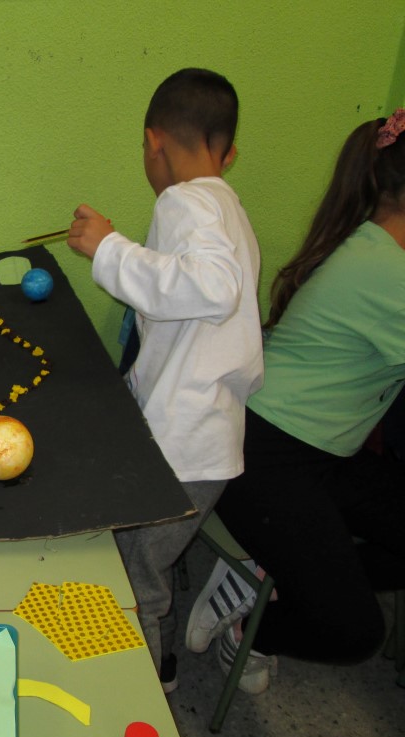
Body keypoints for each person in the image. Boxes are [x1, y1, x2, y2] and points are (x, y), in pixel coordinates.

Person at [186, 108, 405, 694]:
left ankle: (275, 577)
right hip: (267, 453)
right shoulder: (388, 269)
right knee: (355, 633)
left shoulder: (375, 245)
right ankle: (255, 629)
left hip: (323, 451)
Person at [66, 68, 264, 691]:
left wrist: (109, 248)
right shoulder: (227, 207)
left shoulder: (184, 200)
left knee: (135, 584)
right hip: (206, 439)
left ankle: (139, 702)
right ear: (227, 152)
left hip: (184, 448)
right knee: (149, 569)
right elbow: (190, 300)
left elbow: (212, 287)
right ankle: (166, 667)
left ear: (154, 142)